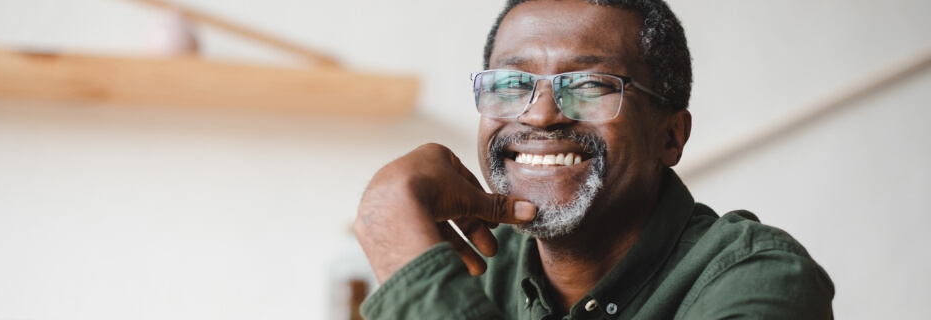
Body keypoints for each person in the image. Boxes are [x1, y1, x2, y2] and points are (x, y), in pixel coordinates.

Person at [352, 0, 836, 319]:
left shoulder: (762, 279)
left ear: (670, 136)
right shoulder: (475, 267)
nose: (540, 116)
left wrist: (396, 236)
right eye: (511, 83)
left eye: (588, 85)